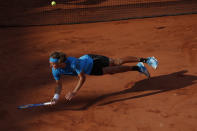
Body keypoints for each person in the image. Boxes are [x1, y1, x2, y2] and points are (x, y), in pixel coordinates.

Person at [49, 52, 158, 105]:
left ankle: (147, 60)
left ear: (61, 63)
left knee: (117, 62)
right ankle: (138, 67)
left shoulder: (73, 63)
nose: (51, 66)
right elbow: (58, 84)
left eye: (53, 64)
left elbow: (82, 78)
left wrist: (74, 92)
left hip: (93, 60)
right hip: (90, 70)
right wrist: (56, 96)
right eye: (51, 64)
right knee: (112, 71)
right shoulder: (55, 70)